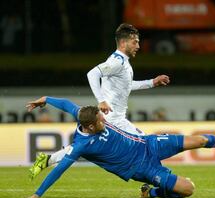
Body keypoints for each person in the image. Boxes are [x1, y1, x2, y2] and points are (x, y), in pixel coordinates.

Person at [25, 96, 215, 198]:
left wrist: (45, 99)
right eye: (100, 120)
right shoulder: (80, 146)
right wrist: (38, 194)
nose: (105, 120)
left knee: (199, 140)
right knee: (187, 189)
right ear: (89, 126)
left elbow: (65, 104)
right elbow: (59, 170)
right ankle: (151, 192)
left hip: (149, 144)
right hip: (142, 169)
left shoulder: (84, 115)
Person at [30, 23, 170, 178]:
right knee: (146, 146)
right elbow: (92, 74)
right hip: (111, 119)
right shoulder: (117, 62)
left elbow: (126, 86)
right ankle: (162, 179)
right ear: (123, 43)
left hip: (116, 118)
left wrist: (152, 82)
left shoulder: (122, 62)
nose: (138, 45)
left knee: (89, 149)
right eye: (135, 42)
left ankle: (47, 160)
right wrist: (101, 100)